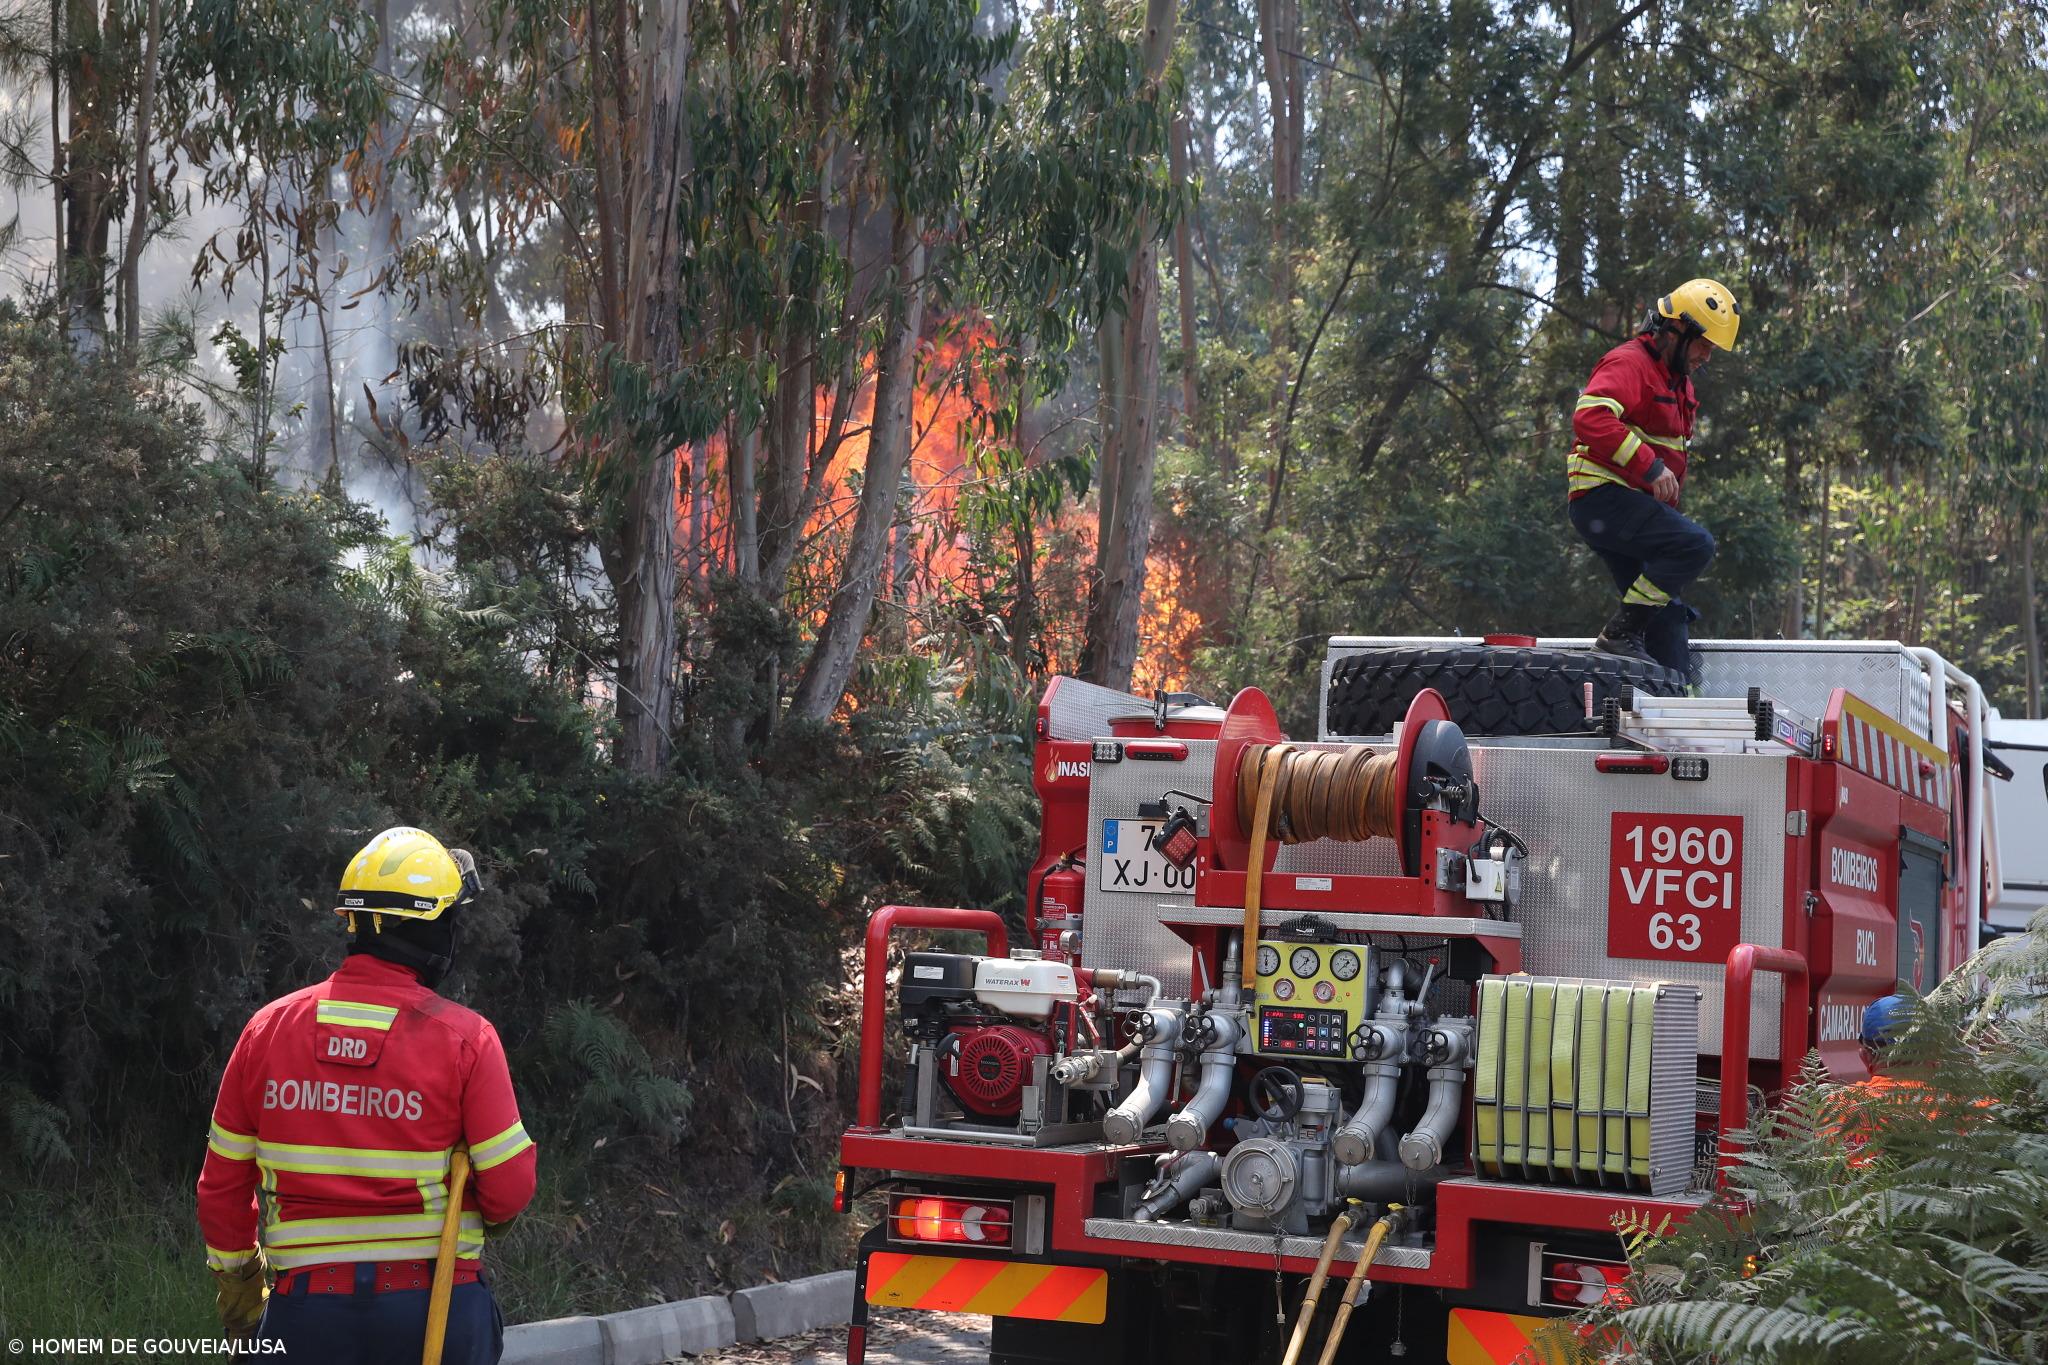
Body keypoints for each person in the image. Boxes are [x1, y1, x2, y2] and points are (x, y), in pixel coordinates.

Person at [197, 827, 537, 1364]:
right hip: (434, 1309)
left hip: (304, 1316)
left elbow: (221, 1188)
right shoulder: (466, 1040)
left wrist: (240, 1282)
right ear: (433, 928)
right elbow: (510, 1189)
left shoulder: (267, 1031)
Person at [1568, 278, 1741, 676]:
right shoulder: (1630, 363)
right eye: (1703, 345)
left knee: (1667, 620)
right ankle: (1619, 634)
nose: (1706, 357)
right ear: (1676, 330)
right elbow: (1590, 417)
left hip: (1628, 504)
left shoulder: (1677, 383)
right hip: (1601, 497)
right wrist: (1650, 466)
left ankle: (1667, 692)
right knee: (1694, 545)